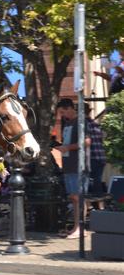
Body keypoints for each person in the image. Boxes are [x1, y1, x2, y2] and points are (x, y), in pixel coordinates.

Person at [54, 98, 91, 239]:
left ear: (70, 108)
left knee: (79, 197)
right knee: (74, 198)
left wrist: (67, 147)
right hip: (69, 165)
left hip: (78, 165)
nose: (62, 115)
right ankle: (76, 227)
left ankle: (81, 228)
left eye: (63, 112)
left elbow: (87, 141)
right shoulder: (68, 123)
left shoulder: (80, 122)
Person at [84, 104, 106, 197]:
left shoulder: (84, 125)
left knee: (90, 184)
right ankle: (100, 207)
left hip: (92, 157)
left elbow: (86, 143)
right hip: (101, 156)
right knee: (97, 182)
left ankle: (94, 207)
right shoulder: (95, 124)